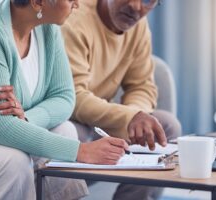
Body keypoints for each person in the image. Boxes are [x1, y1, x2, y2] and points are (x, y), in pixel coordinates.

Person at [0, 0, 129, 199]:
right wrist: (80, 151)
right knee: (12, 163)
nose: (77, 3)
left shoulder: (47, 29)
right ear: (37, 2)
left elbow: (64, 97)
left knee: (66, 130)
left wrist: (25, 118)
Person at [61, 0, 182, 199]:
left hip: (105, 119)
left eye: (148, 1)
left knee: (166, 126)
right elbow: (73, 97)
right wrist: (131, 116)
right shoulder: (74, 19)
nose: (136, 7)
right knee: (72, 133)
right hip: (72, 116)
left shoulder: (139, 26)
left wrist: (136, 116)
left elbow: (141, 85)